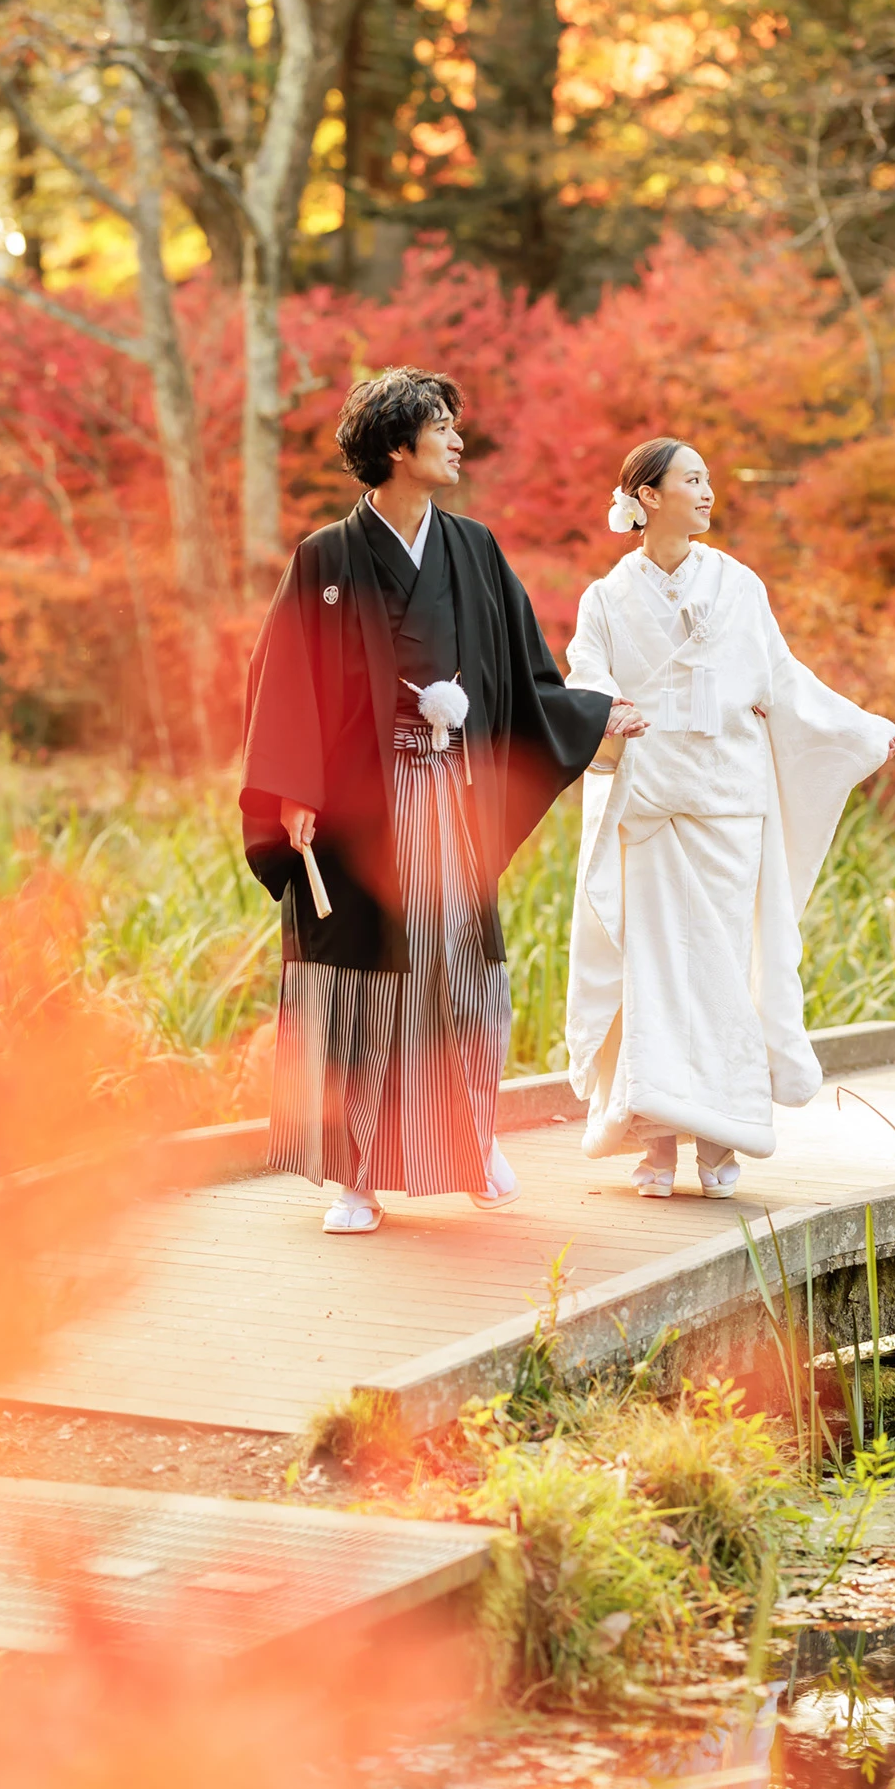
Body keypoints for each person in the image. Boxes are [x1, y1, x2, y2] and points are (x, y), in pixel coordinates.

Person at [240, 366, 646, 1235]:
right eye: (442, 427)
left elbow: (528, 675)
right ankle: (356, 1177)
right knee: (360, 984)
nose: (459, 441)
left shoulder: (474, 549)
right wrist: (293, 791)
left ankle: (470, 1142)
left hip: (448, 794)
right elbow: (283, 682)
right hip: (354, 807)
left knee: (458, 973)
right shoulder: (325, 558)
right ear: (398, 445)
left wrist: (594, 713)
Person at [563, 436, 895, 1200]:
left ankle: (721, 1135)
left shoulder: (740, 586)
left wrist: (858, 730)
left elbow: (783, 680)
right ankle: (655, 1141)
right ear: (648, 496)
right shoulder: (606, 599)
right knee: (653, 976)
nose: (707, 492)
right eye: (691, 480)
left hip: (726, 803)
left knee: (720, 973)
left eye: (707, 479)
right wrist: (612, 710)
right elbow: (585, 675)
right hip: (651, 804)